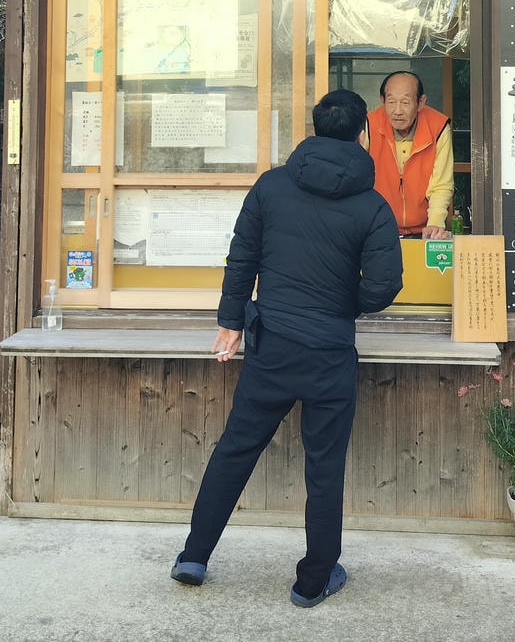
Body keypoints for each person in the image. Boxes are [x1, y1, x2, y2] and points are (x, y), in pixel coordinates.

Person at [171, 88, 402, 608]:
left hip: (271, 345)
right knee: (324, 466)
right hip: (329, 353)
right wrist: (345, 303)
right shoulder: (372, 205)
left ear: (316, 128)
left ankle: (194, 556)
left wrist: (231, 323)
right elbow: (385, 286)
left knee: (235, 449)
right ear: (363, 132)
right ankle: (313, 581)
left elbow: (241, 258)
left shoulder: (272, 187)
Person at [364, 70, 453, 238]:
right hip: (376, 227)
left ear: (421, 102)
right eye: (391, 102)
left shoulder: (438, 127)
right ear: (382, 101)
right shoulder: (369, 124)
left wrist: (435, 223)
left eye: (405, 102)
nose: (397, 110)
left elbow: (441, 184)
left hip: (423, 229)